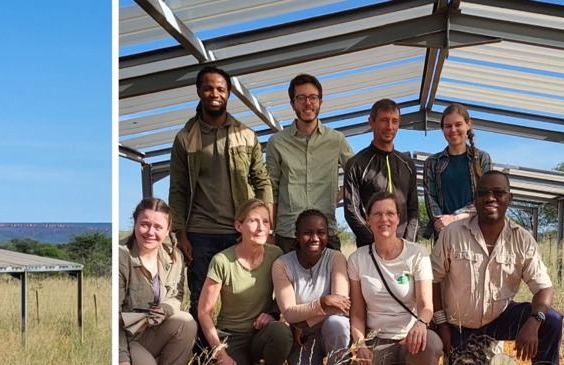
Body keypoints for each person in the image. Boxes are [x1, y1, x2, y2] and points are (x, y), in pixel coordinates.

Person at [430, 170, 564, 365]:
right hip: (461, 326)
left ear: (509, 199)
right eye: (483, 193)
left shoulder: (522, 239)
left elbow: (543, 287)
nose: (490, 198)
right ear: (475, 199)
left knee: (552, 320)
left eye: (498, 193)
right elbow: (433, 279)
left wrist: (534, 322)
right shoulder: (452, 233)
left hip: (500, 318)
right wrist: (442, 325)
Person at [169, 66, 274, 345]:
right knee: (200, 304)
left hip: (242, 231)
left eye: (220, 89)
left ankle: (245, 356)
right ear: (199, 91)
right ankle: (205, 363)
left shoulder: (246, 135)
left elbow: (262, 181)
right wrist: (180, 233)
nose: (214, 94)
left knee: (249, 298)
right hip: (201, 233)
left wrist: (266, 225)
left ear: (228, 94)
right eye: (208, 88)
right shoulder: (184, 138)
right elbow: (177, 189)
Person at [342, 191, 442, 365]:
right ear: (368, 219)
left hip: (410, 340)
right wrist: (361, 345)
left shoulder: (417, 254)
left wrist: (421, 324)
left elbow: (427, 305)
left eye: (389, 213)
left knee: (430, 343)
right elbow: (357, 313)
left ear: (398, 219)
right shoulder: (358, 259)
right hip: (378, 342)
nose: (383, 219)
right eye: (377, 214)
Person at [197, 199, 290, 365]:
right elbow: (204, 312)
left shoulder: (276, 255)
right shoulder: (222, 261)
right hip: (232, 339)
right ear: (239, 226)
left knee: (281, 333)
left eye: (265, 222)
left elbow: (285, 295)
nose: (261, 228)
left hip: (261, 334)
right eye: (253, 221)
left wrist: (273, 313)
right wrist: (220, 353)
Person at [119, 198, 198, 365]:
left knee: (186, 322)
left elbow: (177, 295)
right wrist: (121, 358)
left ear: (168, 229)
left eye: (158, 227)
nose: (150, 232)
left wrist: (165, 309)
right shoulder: (121, 256)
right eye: (144, 224)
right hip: (122, 337)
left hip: (148, 331)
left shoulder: (174, 257)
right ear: (134, 223)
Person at [265, 74, 353, 254]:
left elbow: (357, 174)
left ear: (320, 102)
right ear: (292, 103)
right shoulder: (277, 142)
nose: (308, 103)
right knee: (284, 281)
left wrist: (338, 196)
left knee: (331, 281)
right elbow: (270, 188)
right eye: (301, 98)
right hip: (287, 233)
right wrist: (269, 231)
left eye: (313, 97)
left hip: (325, 231)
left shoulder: (336, 140)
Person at [273, 210, 350, 365]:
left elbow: (341, 306)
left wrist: (304, 321)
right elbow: (289, 312)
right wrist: (323, 302)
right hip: (303, 340)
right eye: (307, 233)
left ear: (327, 235)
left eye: (321, 233)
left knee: (337, 324)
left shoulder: (336, 258)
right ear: (297, 236)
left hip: (321, 331)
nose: (314, 238)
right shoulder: (282, 264)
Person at [343, 99, 420, 247]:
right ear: (371, 122)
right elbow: (352, 210)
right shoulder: (356, 163)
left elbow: (413, 208)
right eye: (384, 120)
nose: (390, 127)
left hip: (403, 247)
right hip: (370, 247)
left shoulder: (407, 164)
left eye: (395, 121)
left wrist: (408, 243)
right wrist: (376, 240)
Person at [423, 103, 494, 240]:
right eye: (448, 126)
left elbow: (486, 198)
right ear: (442, 129)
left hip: (475, 232)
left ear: (468, 125)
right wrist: (442, 223)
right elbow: (430, 198)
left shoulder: (482, 159)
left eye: (458, 124)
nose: (453, 130)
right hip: (444, 233)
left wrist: (455, 218)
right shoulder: (432, 162)